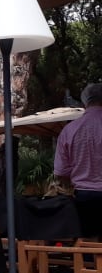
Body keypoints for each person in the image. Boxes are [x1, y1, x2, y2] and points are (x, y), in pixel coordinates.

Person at [54, 83, 102, 239]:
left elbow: (61, 172)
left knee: (87, 243)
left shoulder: (69, 130)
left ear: (84, 102)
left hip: (84, 198)